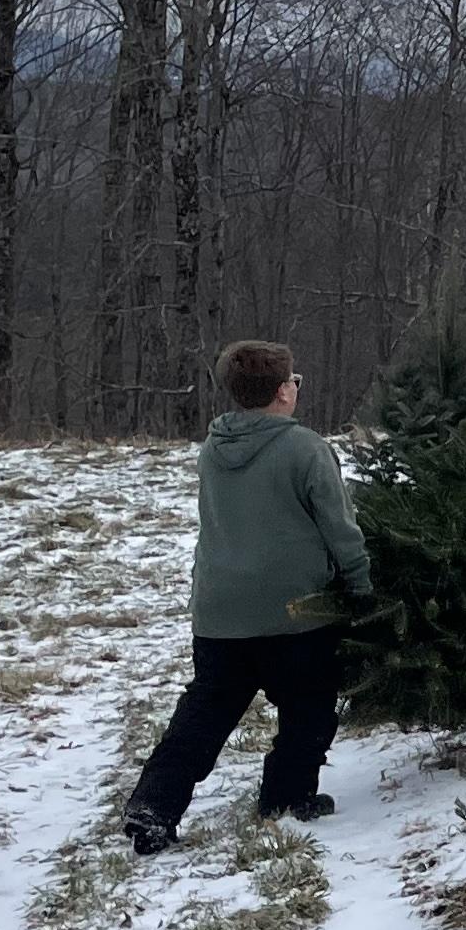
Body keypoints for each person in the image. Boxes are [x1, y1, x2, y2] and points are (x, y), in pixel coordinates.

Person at [123, 340, 374, 853]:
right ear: (283, 392)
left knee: (205, 712)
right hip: (296, 612)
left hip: (219, 613)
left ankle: (154, 805)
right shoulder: (307, 449)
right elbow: (340, 528)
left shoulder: (213, 448)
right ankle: (286, 798)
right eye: (295, 382)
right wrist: (360, 584)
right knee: (309, 706)